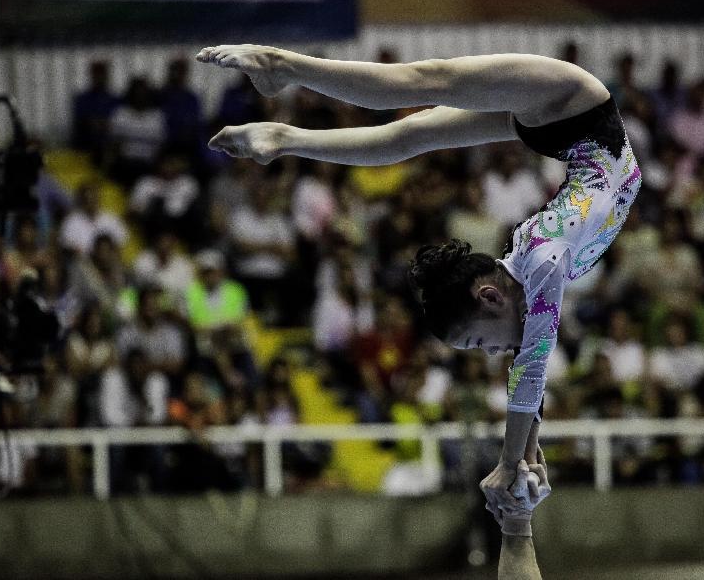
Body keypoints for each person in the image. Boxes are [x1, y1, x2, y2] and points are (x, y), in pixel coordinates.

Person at [196, 45, 639, 523]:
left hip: (574, 103)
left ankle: (283, 67)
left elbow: (529, 369)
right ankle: (282, 138)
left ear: (488, 296)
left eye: (477, 341)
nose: (490, 353)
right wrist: (528, 454)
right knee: (407, 135)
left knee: (429, 78)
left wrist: (512, 461)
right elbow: (527, 365)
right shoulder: (532, 274)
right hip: (567, 130)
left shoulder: (544, 262)